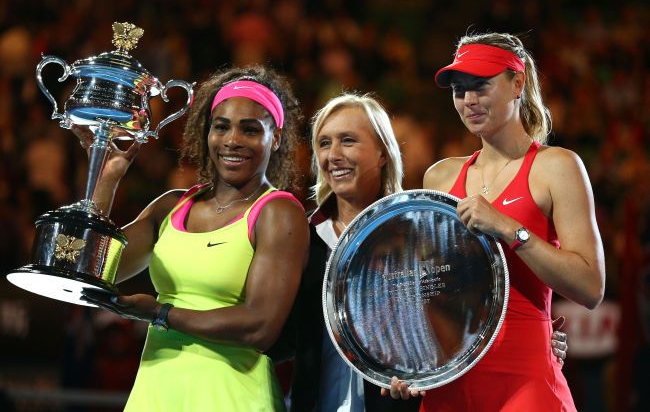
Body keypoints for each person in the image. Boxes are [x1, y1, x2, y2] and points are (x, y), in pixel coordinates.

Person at [388, 32, 605, 411]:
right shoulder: (439, 177)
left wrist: (509, 228)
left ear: (517, 83)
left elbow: (590, 287)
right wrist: (410, 360)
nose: (468, 100)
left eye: (480, 86)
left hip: (526, 380)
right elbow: (431, 290)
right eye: (459, 90)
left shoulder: (558, 167)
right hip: (450, 383)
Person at [81, 65, 310, 412]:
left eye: (250, 130)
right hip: (155, 395)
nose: (232, 140)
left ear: (275, 139)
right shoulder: (170, 207)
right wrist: (107, 179)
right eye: (222, 127)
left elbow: (259, 327)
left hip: (233, 398)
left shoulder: (278, 212)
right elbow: (91, 268)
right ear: (207, 133)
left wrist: (161, 313)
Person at [270, 92, 421, 412]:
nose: (333, 155)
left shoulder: (417, 236)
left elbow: (449, 331)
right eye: (324, 144)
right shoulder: (303, 240)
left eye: (348, 140)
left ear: (382, 153)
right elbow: (280, 341)